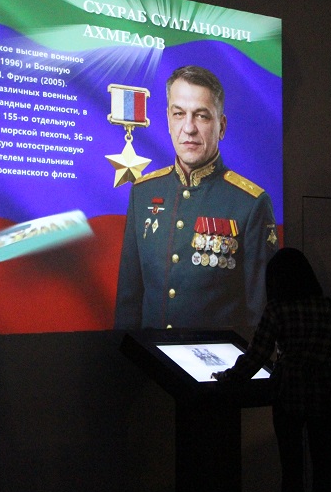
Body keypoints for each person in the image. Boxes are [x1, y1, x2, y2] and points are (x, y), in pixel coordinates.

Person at [114, 65, 278, 333]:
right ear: (168, 120)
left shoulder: (250, 203)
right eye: (179, 114)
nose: (188, 128)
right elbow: (128, 301)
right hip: (150, 356)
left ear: (221, 126)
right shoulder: (142, 193)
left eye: (201, 116)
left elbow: (261, 314)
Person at [212, 247, 331, 492]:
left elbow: (257, 355)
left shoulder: (277, 310)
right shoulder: (327, 307)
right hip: (324, 396)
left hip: (288, 396)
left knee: (291, 469)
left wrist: (230, 377)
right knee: (324, 463)